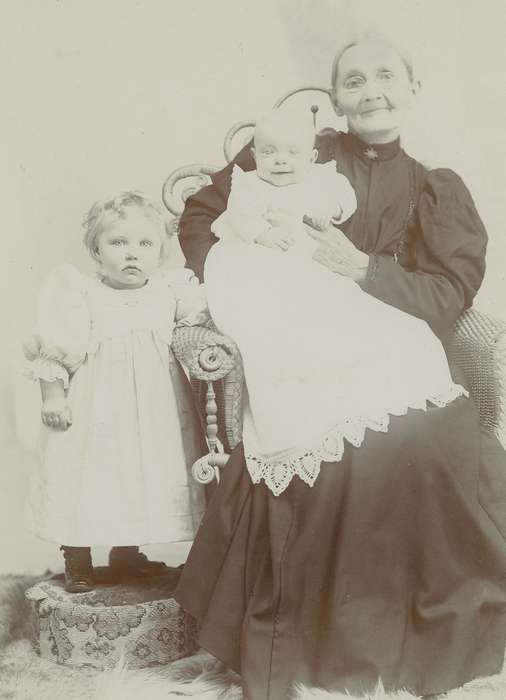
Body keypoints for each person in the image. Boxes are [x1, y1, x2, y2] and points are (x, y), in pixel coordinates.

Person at [174, 35, 506, 699]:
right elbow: (203, 219)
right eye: (354, 81)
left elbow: (448, 294)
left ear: (413, 90)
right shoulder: (291, 149)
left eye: (387, 77)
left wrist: (363, 269)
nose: (372, 91)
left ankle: (396, 631)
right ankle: (318, 637)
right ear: (336, 100)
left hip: (382, 325)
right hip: (285, 332)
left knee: (430, 433)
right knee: (310, 419)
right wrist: (253, 280)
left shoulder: (432, 185)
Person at [205, 108, 467, 496]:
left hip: (311, 271)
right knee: (282, 338)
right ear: (255, 155)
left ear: (310, 158)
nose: (280, 161)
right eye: (269, 152)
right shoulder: (248, 185)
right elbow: (238, 217)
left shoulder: (321, 178)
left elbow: (343, 199)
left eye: (292, 153)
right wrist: (260, 235)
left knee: (379, 328)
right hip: (255, 267)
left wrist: (330, 209)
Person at [23, 191, 208, 593]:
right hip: (96, 412)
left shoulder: (170, 290)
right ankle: (77, 553)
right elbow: (56, 347)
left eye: (145, 244)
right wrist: (53, 397)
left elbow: (205, 317)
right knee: (88, 475)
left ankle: (127, 552)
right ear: (96, 249)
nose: (132, 254)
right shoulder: (81, 293)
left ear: (160, 251)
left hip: (155, 411)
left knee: (139, 474)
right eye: (118, 243)